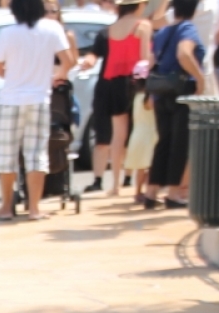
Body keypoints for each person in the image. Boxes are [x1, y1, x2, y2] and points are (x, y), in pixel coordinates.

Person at [0, 0, 72, 220]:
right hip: (40, 99)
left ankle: (6, 208)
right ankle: (34, 209)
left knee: (6, 154)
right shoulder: (52, 28)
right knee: (36, 154)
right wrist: (56, 76)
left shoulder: (7, 33)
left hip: (11, 99)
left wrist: (14, 76)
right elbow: (69, 60)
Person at [142, 0, 206, 208]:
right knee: (180, 143)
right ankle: (173, 193)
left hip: (162, 92)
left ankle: (151, 192)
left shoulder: (162, 32)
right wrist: (199, 77)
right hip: (182, 90)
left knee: (163, 142)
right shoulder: (188, 29)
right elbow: (184, 53)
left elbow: (152, 61)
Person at [85, 1, 152, 195]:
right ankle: (132, 180)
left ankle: (114, 185)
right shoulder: (142, 26)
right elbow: (144, 58)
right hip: (133, 81)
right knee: (137, 131)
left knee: (117, 134)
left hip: (111, 80)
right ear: (139, 5)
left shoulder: (111, 28)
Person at [123, 59, 158, 202]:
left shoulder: (136, 97)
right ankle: (149, 192)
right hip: (149, 135)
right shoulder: (149, 98)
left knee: (140, 168)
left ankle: (138, 191)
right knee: (150, 166)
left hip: (138, 134)